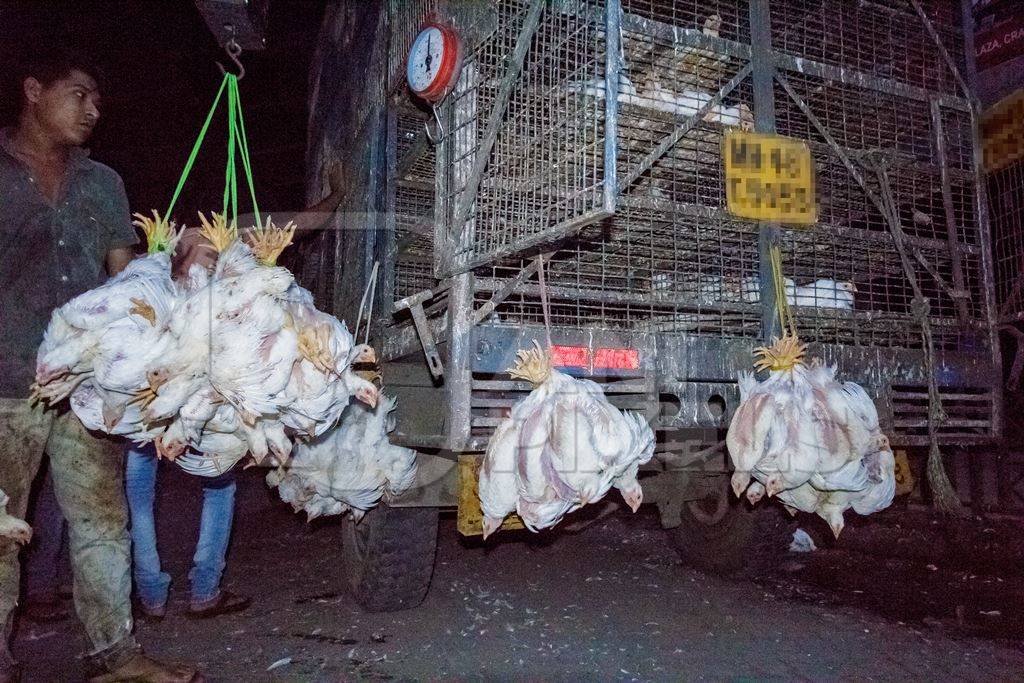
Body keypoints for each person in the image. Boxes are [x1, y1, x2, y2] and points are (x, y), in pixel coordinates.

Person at [0, 51, 198, 682]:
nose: (93, 111)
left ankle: (113, 656)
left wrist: (175, 270)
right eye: (79, 95)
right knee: (2, 527)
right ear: (34, 90)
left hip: (86, 386)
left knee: (102, 522)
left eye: (97, 101)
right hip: (5, 381)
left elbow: (124, 273)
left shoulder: (103, 183)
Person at [126, 165, 347, 620]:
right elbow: (301, 223)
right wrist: (338, 195)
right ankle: (204, 590)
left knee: (139, 485)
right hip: (210, 383)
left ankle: (149, 594)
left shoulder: (167, 245)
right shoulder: (233, 238)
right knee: (217, 482)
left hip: (157, 381)